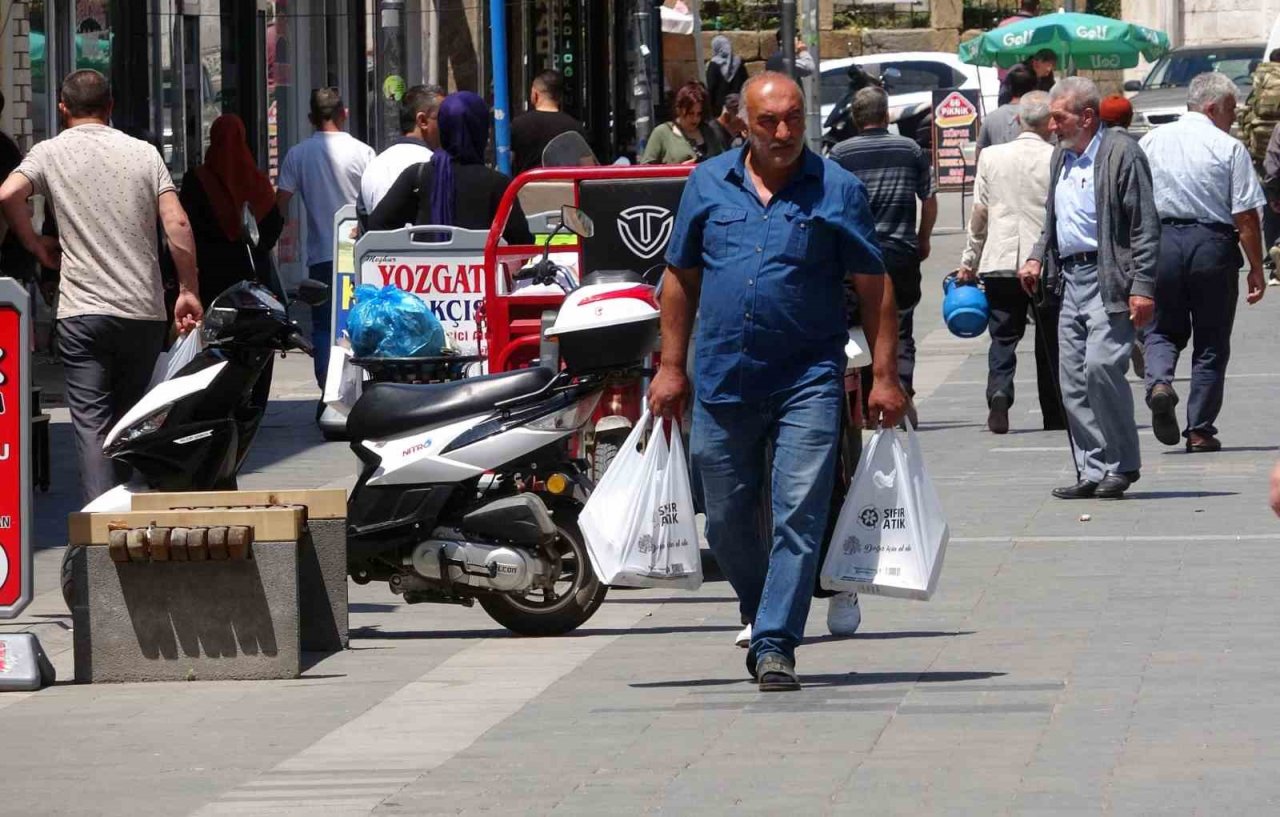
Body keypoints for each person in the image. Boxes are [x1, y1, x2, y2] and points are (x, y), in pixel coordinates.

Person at [650, 72, 907, 691]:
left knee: (799, 511)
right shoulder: (708, 183)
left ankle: (774, 642)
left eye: (794, 118)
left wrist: (885, 376)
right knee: (729, 514)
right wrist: (670, 366)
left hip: (808, 378)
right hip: (721, 376)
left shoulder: (837, 189)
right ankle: (761, 601)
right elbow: (680, 278)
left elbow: (875, 289)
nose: (785, 132)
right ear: (742, 123)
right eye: (769, 122)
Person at [0, 69, 203, 503]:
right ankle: (134, 509)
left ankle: (100, 520)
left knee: (91, 423)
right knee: (133, 416)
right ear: (110, 106)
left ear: (62, 108)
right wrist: (188, 289)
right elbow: (177, 222)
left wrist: (35, 244)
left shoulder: (48, 153)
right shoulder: (144, 153)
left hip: (82, 313)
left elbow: (7, 193)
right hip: (142, 312)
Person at [1018, 77, 1160, 501]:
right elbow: (1053, 218)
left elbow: (1145, 225)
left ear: (1086, 116)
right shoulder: (1061, 157)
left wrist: (1143, 285)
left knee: (1101, 367)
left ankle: (1123, 464)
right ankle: (1093, 467)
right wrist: (1035, 256)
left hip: (1110, 279)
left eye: (1058, 118)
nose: (1051, 126)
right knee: (1072, 380)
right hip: (1068, 278)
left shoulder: (1121, 152)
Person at [1138, 72, 1266, 454]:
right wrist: (1256, 267)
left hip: (1160, 244)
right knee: (1210, 340)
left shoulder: (1150, 141)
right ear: (1211, 108)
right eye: (1230, 109)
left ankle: (1159, 382)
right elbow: (1245, 216)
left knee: (1160, 328)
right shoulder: (1228, 147)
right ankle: (1199, 429)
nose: (1235, 116)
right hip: (1211, 245)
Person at [959, 91, 1065, 434]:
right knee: (1049, 337)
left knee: (1003, 335)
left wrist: (968, 261)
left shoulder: (990, 156)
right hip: (1043, 260)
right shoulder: (1058, 157)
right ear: (1049, 124)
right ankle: (1054, 411)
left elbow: (980, 213)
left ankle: (1000, 392)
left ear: (1018, 120)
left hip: (1000, 259)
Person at [830, 86, 937, 422]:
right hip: (901, 252)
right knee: (901, 326)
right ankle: (901, 391)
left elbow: (831, 206)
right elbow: (929, 200)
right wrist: (923, 238)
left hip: (856, 257)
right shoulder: (911, 150)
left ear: (855, 117)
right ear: (886, 114)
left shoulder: (840, 154)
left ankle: (867, 401)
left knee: (860, 328)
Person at [276, 87, 375, 389]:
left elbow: (281, 203)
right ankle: (358, 386)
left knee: (322, 325)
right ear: (344, 112)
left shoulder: (298, 155)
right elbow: (375, 201)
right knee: (361, 320)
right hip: (358, 253)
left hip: (321, 255)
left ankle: (326, 390)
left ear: (310, 118)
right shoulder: (363, 152)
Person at [368, 92, 534, 246]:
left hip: (423, 275)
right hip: (480, 277)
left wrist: (410, 255)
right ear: (481, 130)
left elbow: (378, 225)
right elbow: (521, 242)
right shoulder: (498, 184)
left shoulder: (417, 176)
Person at [180, 114, 283, 306]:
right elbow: (273, 226)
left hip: (211, 277)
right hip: (252, 276)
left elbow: (187, 226)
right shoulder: (258, 182)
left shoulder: (196, 180)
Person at [360, 84, 442, 214]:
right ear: (422, 121)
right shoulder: (435, 166)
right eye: (443, 117)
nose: (449, 123)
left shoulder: (374, 166)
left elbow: (364, 226)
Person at [510, 70, 586, 176]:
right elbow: (586, 166)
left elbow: (508, 159)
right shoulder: (575, 127)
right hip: (564, 189)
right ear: (559, 97)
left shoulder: (518, 124)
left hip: (527, 189)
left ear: (535, 94)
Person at [641, 81, 725, 165]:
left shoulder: (709, 132)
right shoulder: (662, 133)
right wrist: (680, 168)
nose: (695, 119)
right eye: (690, 113)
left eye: (699, 114)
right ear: (679, 109)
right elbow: (645, 169)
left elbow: (722, 161)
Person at [976, 64, 1036, 157]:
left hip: (998, 170)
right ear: (1034, 88)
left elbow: (980, 154)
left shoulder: (991, 118)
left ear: (1009, 87)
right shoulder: (1040, 116)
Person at [705, 35, 748, 119]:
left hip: (719, 109)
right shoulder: (739, 62)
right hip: (738, 106)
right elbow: (746, 84)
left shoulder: (714, 64)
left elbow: (710, 87)